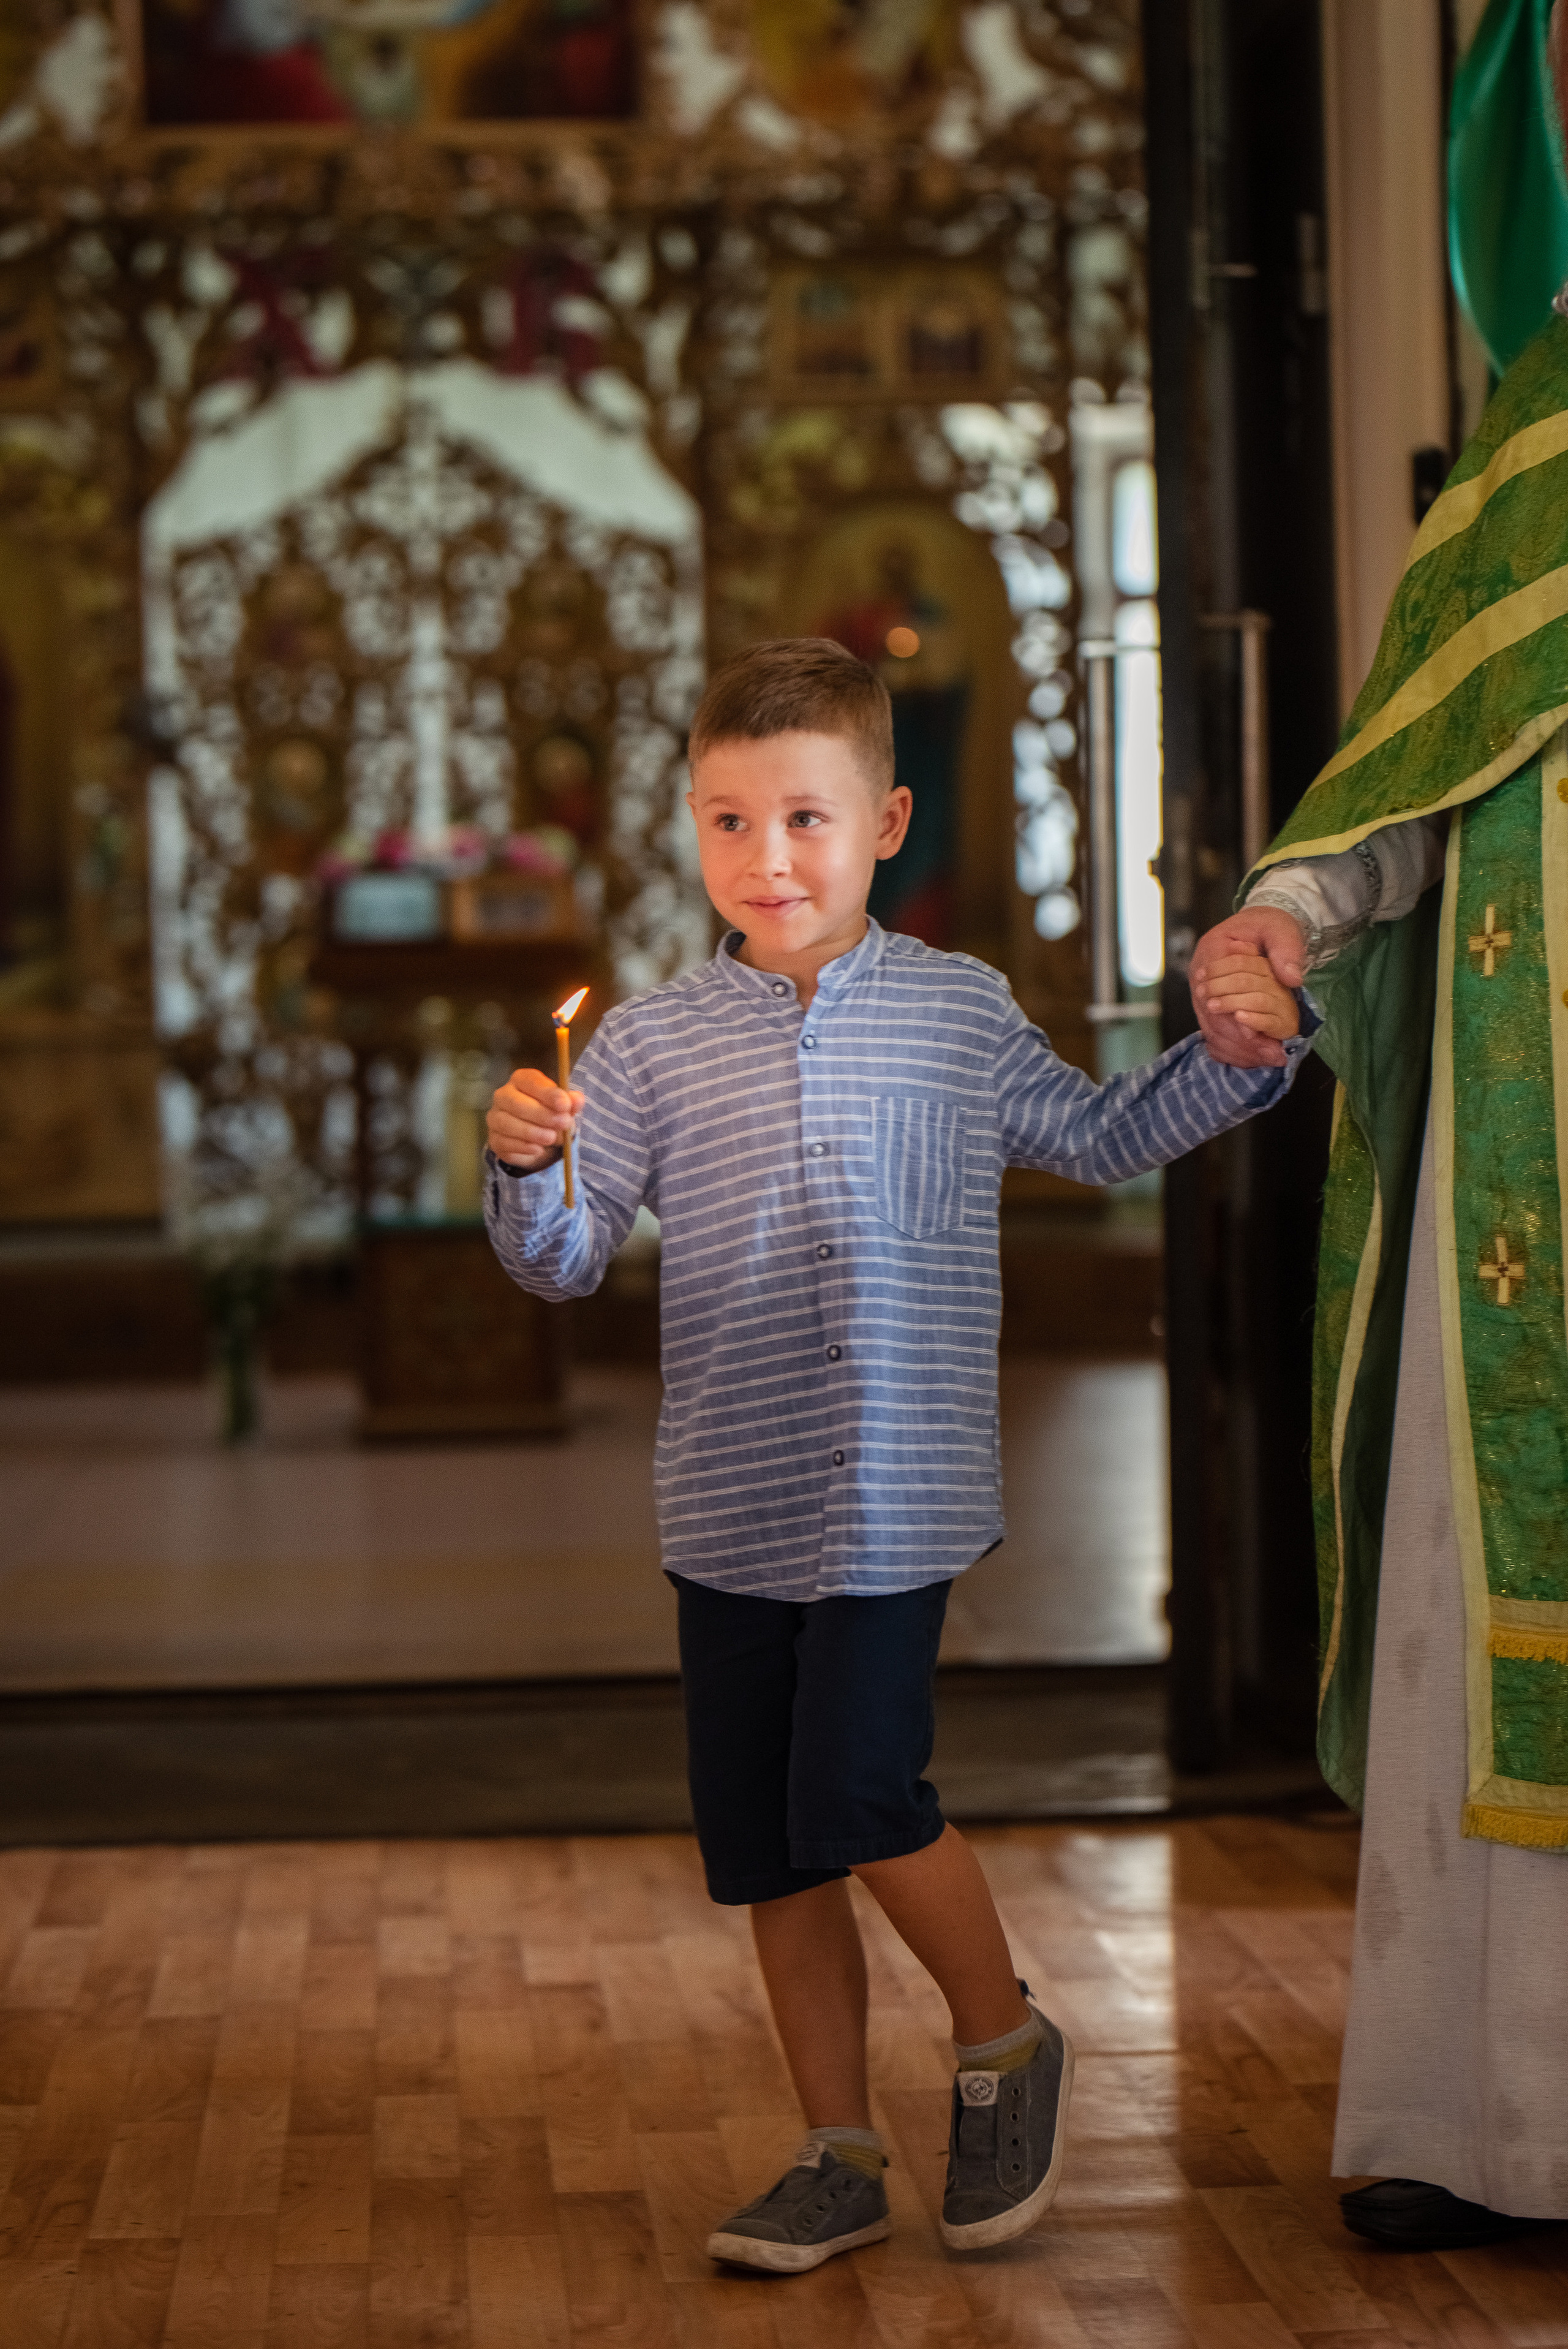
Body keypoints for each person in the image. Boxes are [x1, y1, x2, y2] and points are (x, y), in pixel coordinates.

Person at [485, 636, 1308, 2272]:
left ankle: (1003, 2035)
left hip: (891, 1489)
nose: (765, 857)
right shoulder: (646, 1046)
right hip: (727, 1498)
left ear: (886, 821)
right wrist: (526, 1169)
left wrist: (1237, 1060)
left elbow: (1091, 1133)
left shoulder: (956, 1010)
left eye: (803, 816)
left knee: (863, 1794)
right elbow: (565, 1263)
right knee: (772, 1845)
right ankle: (837, 2148)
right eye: (727, 820)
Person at [1187, 306, 1568, 2251]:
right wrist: (1279, 908)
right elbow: (1399, 785)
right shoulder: (1534, 452)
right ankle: (1483, 2120)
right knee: (1484, 1613)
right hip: (1534, 1181)